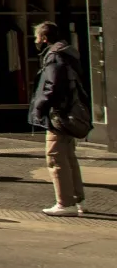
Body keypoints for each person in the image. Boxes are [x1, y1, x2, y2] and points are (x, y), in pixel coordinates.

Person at [30, 21, 87, 216]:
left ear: (44, 38)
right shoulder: (67, 53)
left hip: (59, 114)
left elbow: (52, 86)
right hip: (68, 112)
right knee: (69, 156)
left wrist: (41, 107)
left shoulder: (54, 57)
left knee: (55, 156)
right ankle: (77, 199)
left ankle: (64, 203)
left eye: (37, 37)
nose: (36, 41)